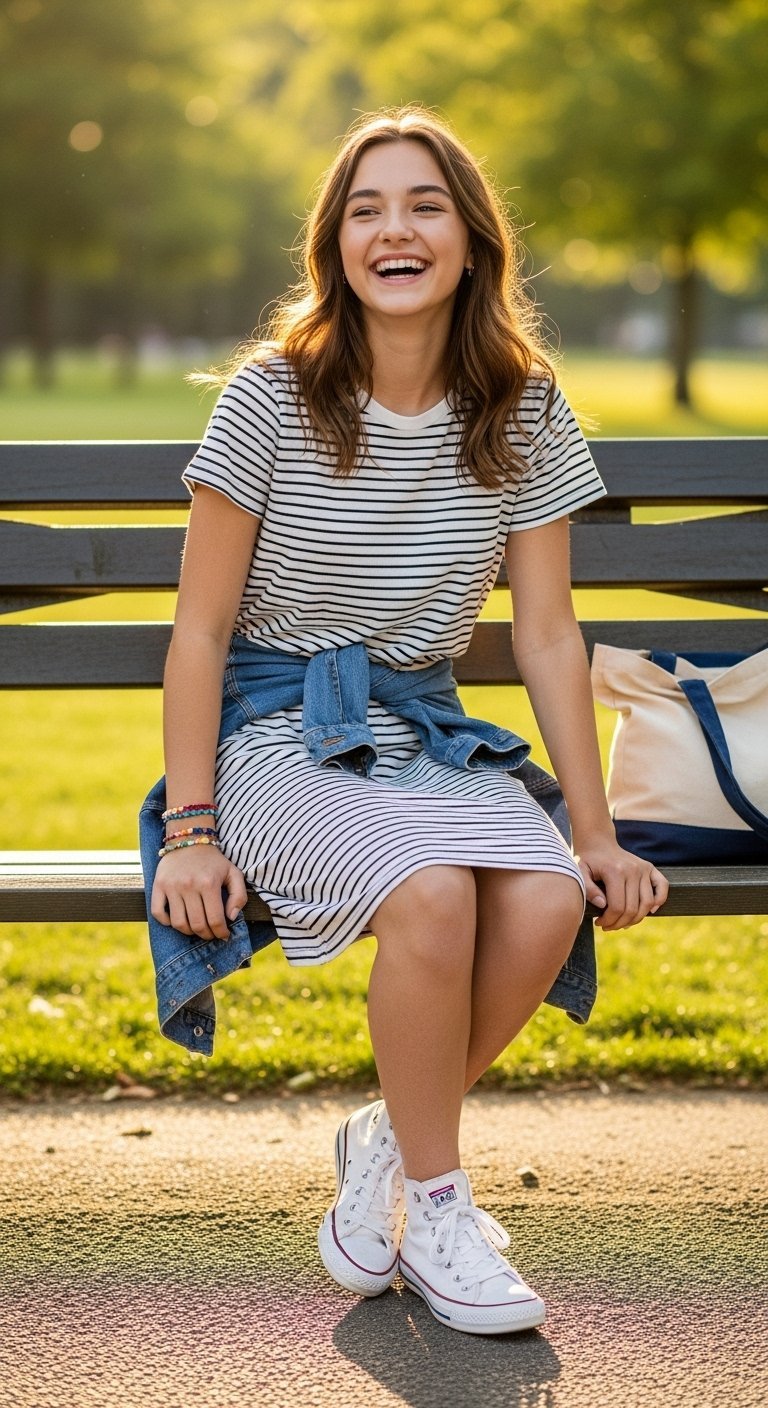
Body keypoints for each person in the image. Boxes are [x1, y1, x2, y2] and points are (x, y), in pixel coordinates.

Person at [145, 106, 668, 1337]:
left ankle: (388, 1136)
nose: (396, 229)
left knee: (544, 898)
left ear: (472, 240)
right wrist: (188, 828)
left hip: (424, 732)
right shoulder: (270, 398)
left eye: (425, 204)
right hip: (277, 734)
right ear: (335, 243)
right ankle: (438, 1208)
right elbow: (201, 634)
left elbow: (547, 635)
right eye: (367, 208)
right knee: (432, 891)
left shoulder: (523, 410)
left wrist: (593, 833)